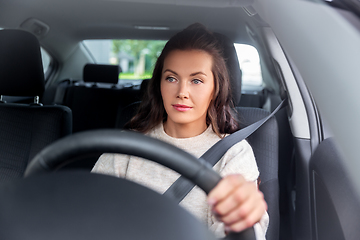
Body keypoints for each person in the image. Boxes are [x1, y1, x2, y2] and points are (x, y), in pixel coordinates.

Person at [91, 23, 268, 239]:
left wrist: (240, 219)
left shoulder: (234, 153)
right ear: (159, 85)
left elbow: (240, 233)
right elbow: (90, 213)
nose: (182, 92)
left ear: (216, 89)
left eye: (196, 80)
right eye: (172, 78)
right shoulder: (127, 146)